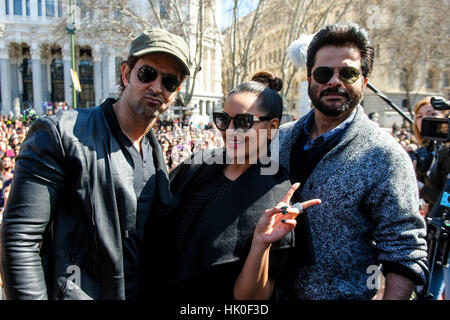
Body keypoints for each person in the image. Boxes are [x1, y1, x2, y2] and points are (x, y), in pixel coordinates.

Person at [0, 28, 190, 300]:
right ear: (126, 74)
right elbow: (20, 240)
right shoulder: (60, 134)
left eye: (170, 81)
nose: (157, 87)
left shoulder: (155, 155)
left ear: (176, 92)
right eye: (147, 74)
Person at [277, 23, 429, 299]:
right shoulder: (280, 139)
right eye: (324, 73)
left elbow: (405, 250)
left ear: (365, 82)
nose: (334, 81)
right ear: (310, 79)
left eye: (347, 73)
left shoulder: (386, 156)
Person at [145, 72, 321, 301]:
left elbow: (253, 298)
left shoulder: (277, 198)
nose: (230, 131)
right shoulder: (197, 165)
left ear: (272, 127)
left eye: (243, 122)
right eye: (223, 120)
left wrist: (260, 245)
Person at [413, 96, 449, 300]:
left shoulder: (447, 152)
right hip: (426, 234)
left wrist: (418, 186)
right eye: (419, 116)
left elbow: (448, 200)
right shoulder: (424, 152)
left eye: (432, 115)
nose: (425, 121)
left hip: (443, 237)